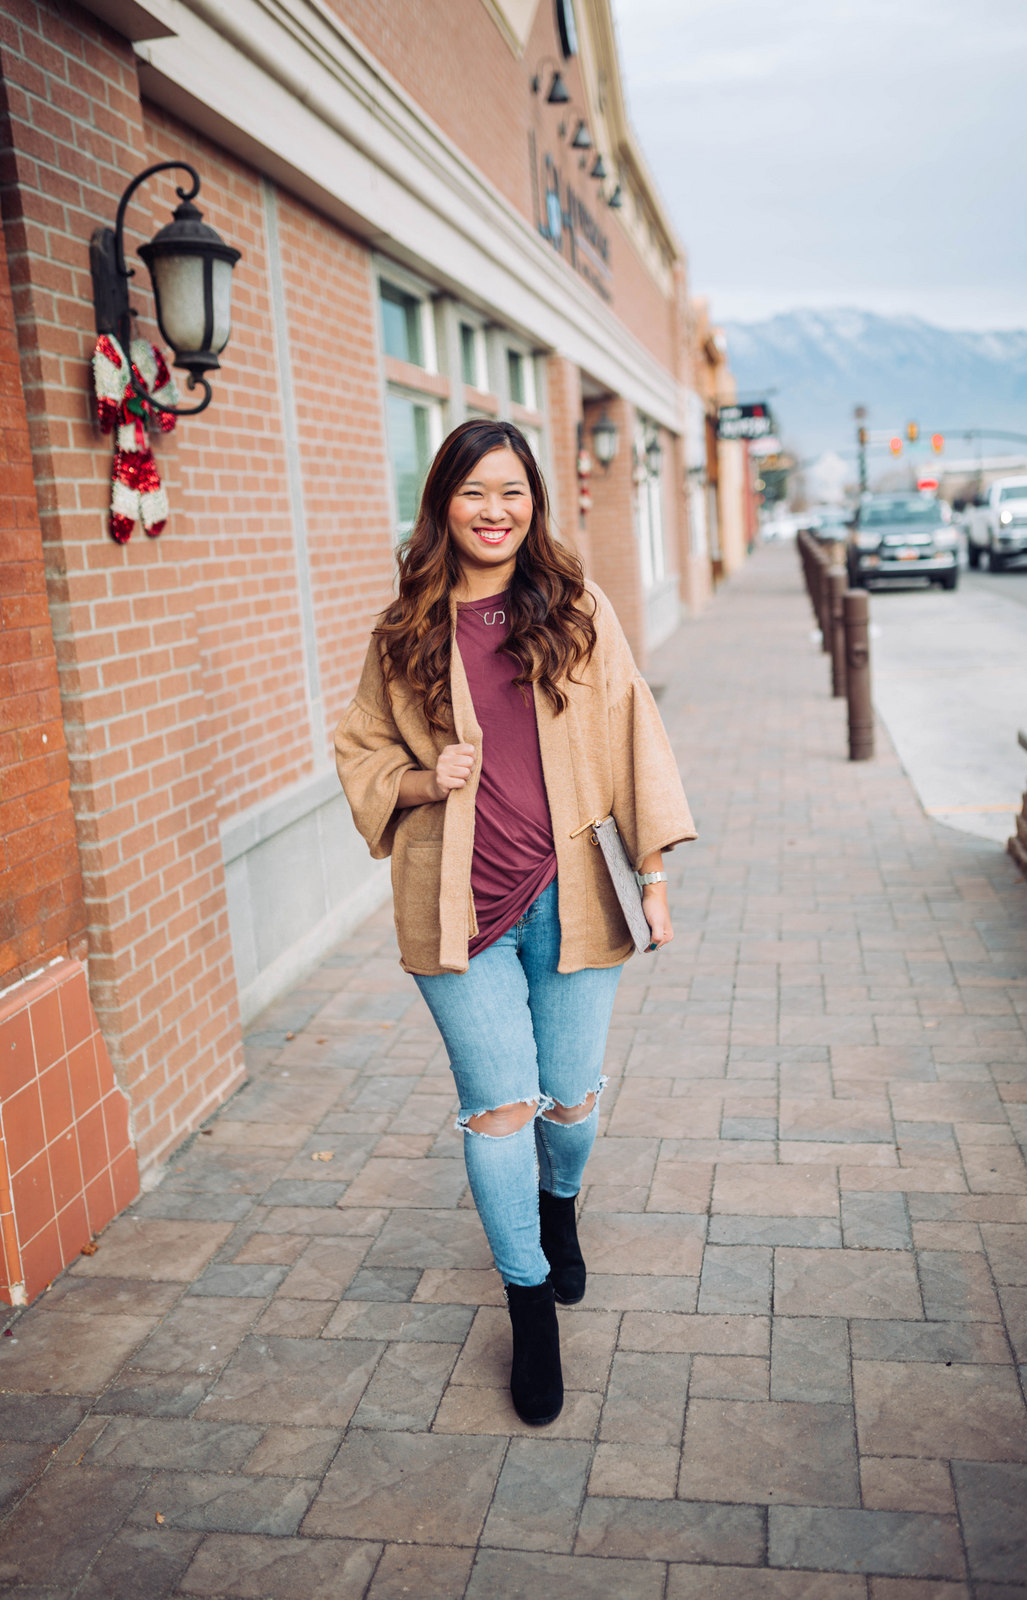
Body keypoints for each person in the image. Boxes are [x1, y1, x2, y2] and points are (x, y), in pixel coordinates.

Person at [335, 418, 694, 1425]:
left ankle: (560, 1202)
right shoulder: (404, 628)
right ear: (442, 502)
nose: (493, 512)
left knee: (567, 1103)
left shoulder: (574, 609)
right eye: (473, 493)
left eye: (512, 493)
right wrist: (417, 778)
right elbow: (360, 750)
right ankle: (528, 1306)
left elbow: (634, 733)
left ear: (531, 505)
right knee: (499, 1108)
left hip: (576, 892)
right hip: (458, 912)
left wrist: (654, 875)